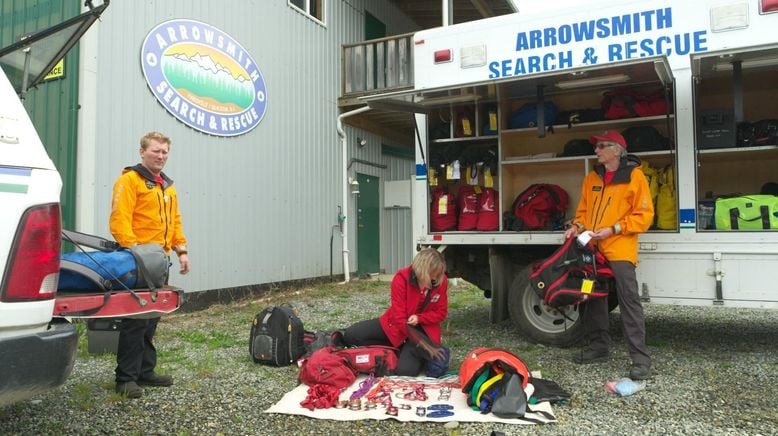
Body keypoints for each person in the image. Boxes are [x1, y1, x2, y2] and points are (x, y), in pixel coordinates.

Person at [564, 130, 654, 381]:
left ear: (617, 149)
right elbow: (583, 212)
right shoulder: (592, 177)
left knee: (629, 300)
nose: (597, 150)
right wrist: (575, 227)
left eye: (602, 146)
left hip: (620, 247)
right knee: (592, 295)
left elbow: (644, 215)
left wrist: (615, 229)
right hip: (593, 248)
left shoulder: (635, 177)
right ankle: (598, 347)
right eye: (597, 146)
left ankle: (640, 359)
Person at [109, 131, 190, 398]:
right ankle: (125, 379)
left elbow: (174, 221)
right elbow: (120, 220)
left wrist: (181, 250)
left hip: (161, 261)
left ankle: (145, 371)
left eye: (165, 152)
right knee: (135, 319)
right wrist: (135, 251)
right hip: (139, 260)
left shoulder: (167, 186)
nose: (161, 156)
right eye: (156, 151)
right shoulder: (129, 180)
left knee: (152, 318)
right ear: (142, 152)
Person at [342, 248, 449, 376]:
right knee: (351, 335)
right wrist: (423, 345)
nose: (435, 278)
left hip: (421, 331)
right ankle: (399, 348)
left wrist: (420, 318)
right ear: (422, 270)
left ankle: (408, 351)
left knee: (406, 371)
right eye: (433, 274)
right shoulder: (401, 278)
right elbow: (399, 318)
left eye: (438, 274)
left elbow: (441, 313)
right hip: (397, 326)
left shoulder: (441, 281)